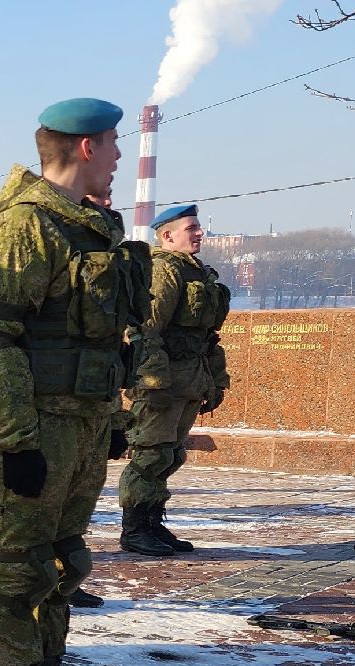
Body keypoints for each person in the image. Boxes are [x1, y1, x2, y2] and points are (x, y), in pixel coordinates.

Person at [0, 98, 148, 666]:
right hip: (37, 428)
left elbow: (108, 339)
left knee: (64, 564)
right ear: (86, 147)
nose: (121, 156)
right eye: (113, 144)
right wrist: (13, 442)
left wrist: (115, 419)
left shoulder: (88, 226)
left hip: (84, 424)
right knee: (20, 570)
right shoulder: (26, 226)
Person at [119, 204, 230, 557]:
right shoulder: (163, 270)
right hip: (163, 383)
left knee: (169, 455)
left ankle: (152, 522)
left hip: (189, 378)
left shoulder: (195, 272)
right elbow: (144, 330)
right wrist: (153, 381)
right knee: (151, 455)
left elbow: (205, 336)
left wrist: (214, 381)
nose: (199, 233)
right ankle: (135, 529)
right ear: (168, 235)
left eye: (198, 228)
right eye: (191, 228)